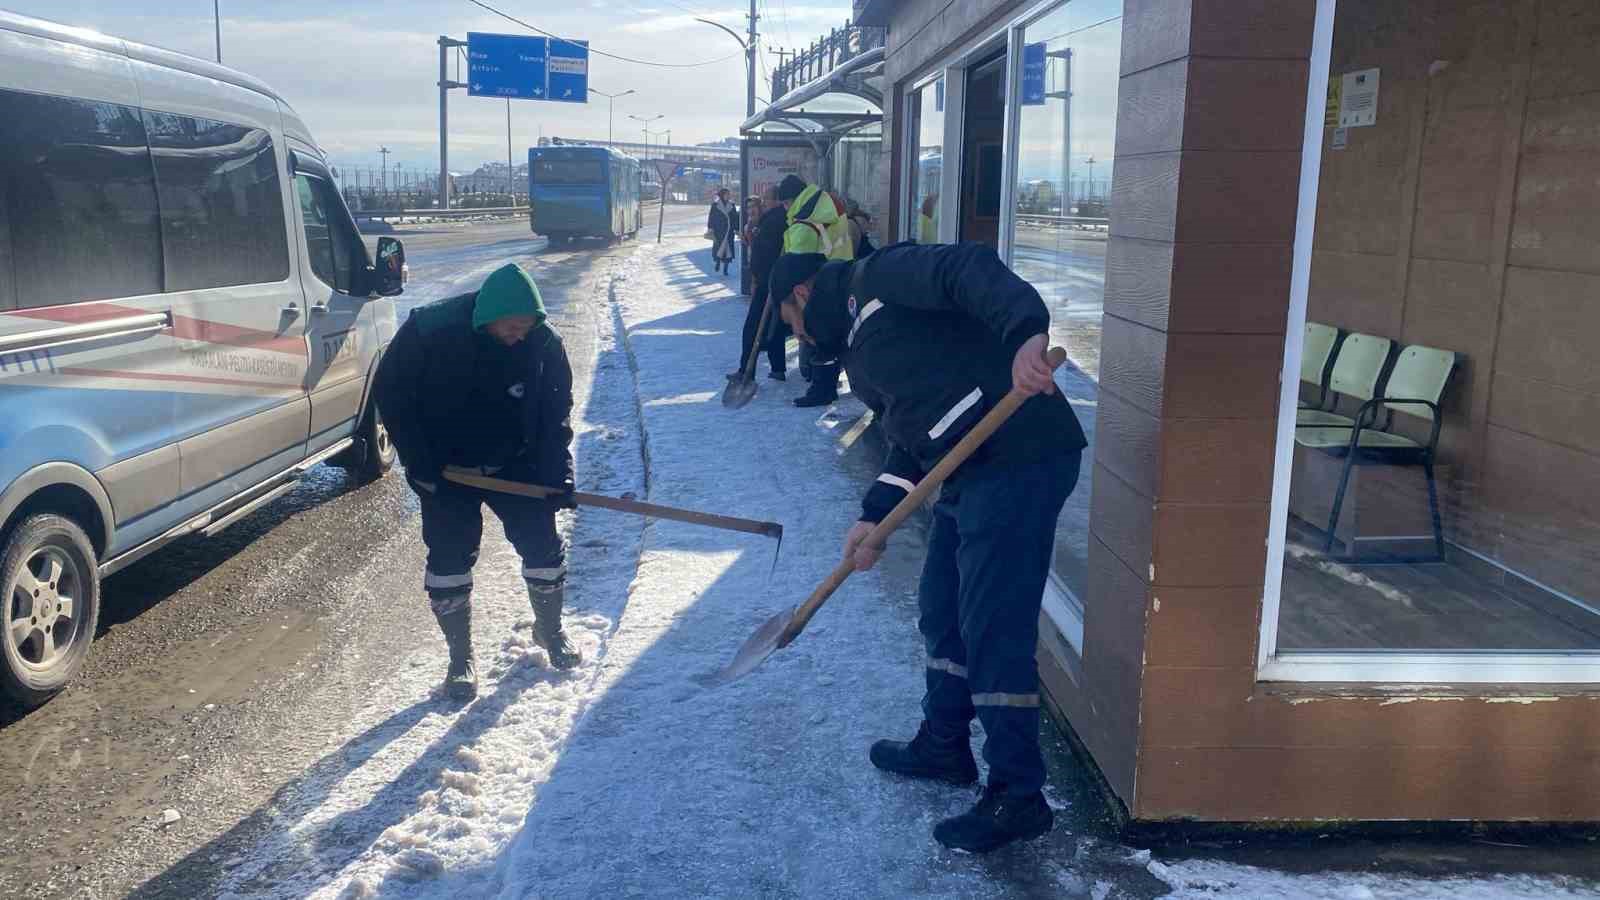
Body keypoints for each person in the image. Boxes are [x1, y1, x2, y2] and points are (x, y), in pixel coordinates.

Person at [767, 242, 1086, 854]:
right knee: (941, 609)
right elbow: (909, 435)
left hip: (1021, 454)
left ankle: (1018, 796)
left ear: (802, 294)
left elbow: (967, 268)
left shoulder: (882, 278)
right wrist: (874, 518)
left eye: (790, 322)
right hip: (968, 468)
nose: (799, 336)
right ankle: (944, 745)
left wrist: (1025, 333)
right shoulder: (863, 357)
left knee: (992, 626)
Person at [372, 263, 583, 702]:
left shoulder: (545, 345)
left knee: (544, 549)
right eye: (512, 326)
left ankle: (551, 630)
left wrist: (558, 474)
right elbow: (391, 394)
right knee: (449, 561)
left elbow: (554, 417)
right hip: (447, 471)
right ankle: (460, 659)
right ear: (487, 316)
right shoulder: (430, 331)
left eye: (527, 326)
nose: (519, 334)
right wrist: (419, 461)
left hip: (516, 466)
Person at [774, 175, 853, 408]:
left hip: (823, 285)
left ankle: (822, 389)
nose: (785, 209)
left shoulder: (804, 225)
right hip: (843, 273)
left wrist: (780, 290)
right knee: (833, 335)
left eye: (785, 204)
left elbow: (795, 267)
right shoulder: (824, 207)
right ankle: (826, 384)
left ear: (792, 200)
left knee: (821, 336)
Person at [730, 185, 792, 382]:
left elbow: (763, 253)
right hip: (775, 280)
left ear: (776, 201)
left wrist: (756, 277)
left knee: (752, 327)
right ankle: (778, 368)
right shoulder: (779, 219)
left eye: (766, 199)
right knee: (775, 325)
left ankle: (745, 370)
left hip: (767, 281)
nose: (763, 202)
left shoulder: (772, 221)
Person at [707, 188, 739, 276]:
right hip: (719, 230)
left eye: (729, 194)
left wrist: (736, 228)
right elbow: (711, 217)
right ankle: (717, 262)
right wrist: (710, 228)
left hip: (729, 231)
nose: (728, 196)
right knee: (718, 247)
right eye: (726, 194)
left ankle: (725, 269)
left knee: (728, 251)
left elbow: (735, 217)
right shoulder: (715, 205)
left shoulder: (732, 205)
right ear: (722, 195)